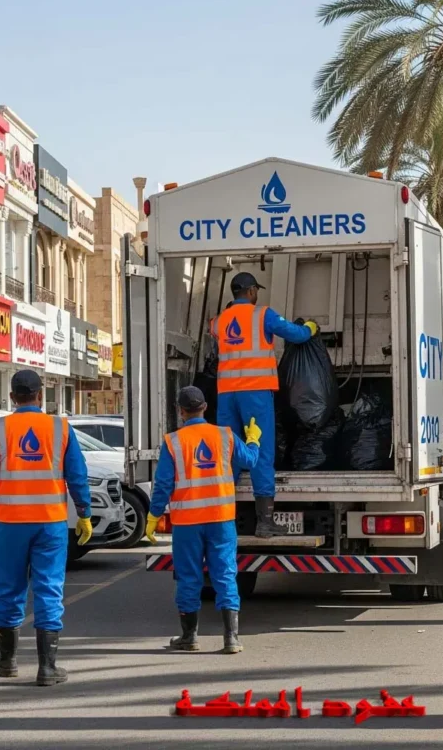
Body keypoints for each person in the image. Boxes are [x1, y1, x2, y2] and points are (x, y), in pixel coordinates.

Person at [0, 369, 92, 686]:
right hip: (50, 522)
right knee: (49, 588)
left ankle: (7, 661)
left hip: (11, 523)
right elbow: (77, 475)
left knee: (9, 588)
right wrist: (84, 513)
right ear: (40, 395)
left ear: (12, 397)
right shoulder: (60, 428)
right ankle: (47, 668)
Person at [146, 386, 261, 653]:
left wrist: (153, 515)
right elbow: (250, 461)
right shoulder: (225, 435)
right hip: (221, 519)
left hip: (187, 522)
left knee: (188, 577)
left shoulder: (173, 441)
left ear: (180, 411)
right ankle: (231, 639)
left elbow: (163, 484)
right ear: (205, 407)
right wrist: (254, 439)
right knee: (225, 574)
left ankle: (189, 637)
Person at [211, 271, 318, 537]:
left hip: (226, 395)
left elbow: (215, 331)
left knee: (228, 453)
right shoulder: (263, 315)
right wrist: (310, 328)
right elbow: (296, 335)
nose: (257, 294)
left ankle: (222, 520)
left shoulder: (220, 320)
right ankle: (265, 521)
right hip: (255, 393)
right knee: (259, 450)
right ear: (250, 291)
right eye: (255, 290)